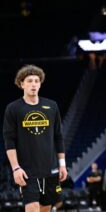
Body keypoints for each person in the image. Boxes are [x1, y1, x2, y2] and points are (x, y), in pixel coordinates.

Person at [2, 64, 67, 212]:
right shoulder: (13, 108)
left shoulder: (52, 106)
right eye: (29, 80)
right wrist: (15, 168)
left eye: (37, 81)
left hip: (50, 168)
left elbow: (58, 136)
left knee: (45, 208)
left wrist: (62, 164)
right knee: (32, 207)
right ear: (21, 84)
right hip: (27, 170)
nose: (33, 84)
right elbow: (9, 140)